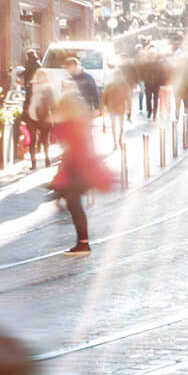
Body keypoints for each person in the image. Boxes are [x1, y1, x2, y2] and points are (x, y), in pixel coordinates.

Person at [49, 92, 111, 256]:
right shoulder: (80, 122)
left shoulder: (69, 124)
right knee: (74, 204)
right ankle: (82, 243)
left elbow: (63, 141)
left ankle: (83, 244)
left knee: (74, 205)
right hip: (80, 169)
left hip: (76, 169)